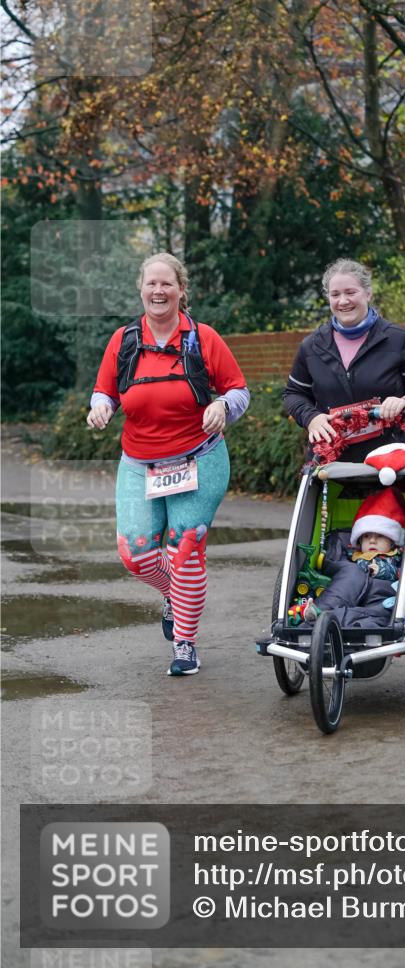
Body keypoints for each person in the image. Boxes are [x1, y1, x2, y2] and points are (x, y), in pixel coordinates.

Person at [87, 252, 249, 676]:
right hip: (139, 463)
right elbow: (105, 391)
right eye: (151, 284)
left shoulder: (203, 338)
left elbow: (238, 390)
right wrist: (100, 407)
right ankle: (176, 594)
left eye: (166, 284)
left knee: (186, 548)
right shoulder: (123, 340)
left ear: (181, 290)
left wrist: (222, 407)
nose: (158, 291)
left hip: (199, 458)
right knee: (135, 553)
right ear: (141, 289)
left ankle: (185, 644)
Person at [283, 257, 405, 462]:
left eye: (351, 292)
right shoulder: (311, 346)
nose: (343, 301)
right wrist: (311, 417)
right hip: (330, 464)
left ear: (368, 293)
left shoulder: (399, 339)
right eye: (335, 294)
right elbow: (293, 394)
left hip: (392, 461)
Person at [288, 487, 405, 628]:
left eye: (380, 536)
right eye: (366, 536)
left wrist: (382, 570)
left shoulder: (397, 557)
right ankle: (317, 613)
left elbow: (403, 573)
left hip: (380, 595)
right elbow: (334, 564)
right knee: (349, 576)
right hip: (349, 591)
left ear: (392, 542)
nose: (372, 541)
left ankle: (359, 627)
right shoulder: (352, 555)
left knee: (374, 615)